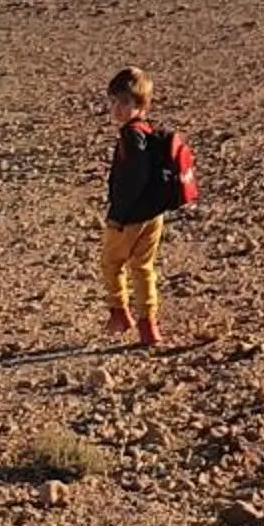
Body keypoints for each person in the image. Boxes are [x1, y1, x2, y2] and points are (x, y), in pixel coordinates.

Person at [100, 66, 185, 349]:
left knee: (111, 263)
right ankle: (149, 325)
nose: (117, 108)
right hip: (153, 215)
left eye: (124, 102)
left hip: (130, 217)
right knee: (143, 267)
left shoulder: (131, 136)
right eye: (114, 102)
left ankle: (119, 313)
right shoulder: (150, 133)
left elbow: (132, 179)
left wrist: (118, 215)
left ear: (141, 105)